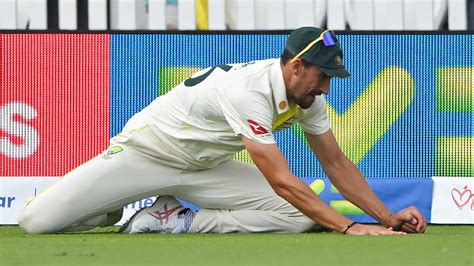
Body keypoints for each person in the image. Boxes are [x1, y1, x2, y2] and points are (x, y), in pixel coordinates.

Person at [18, 27, 427, 235]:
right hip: (147, 153)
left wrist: (388, 218)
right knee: (34, 223)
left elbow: (336, 162)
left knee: (299, 217)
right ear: (296, 66)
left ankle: (175, 220)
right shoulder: (249, 91)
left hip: (205, 167)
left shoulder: (307, 99)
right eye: (323, 76)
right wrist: (351, 228)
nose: (326, 88)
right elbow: (281, 179)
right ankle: (107, 206)